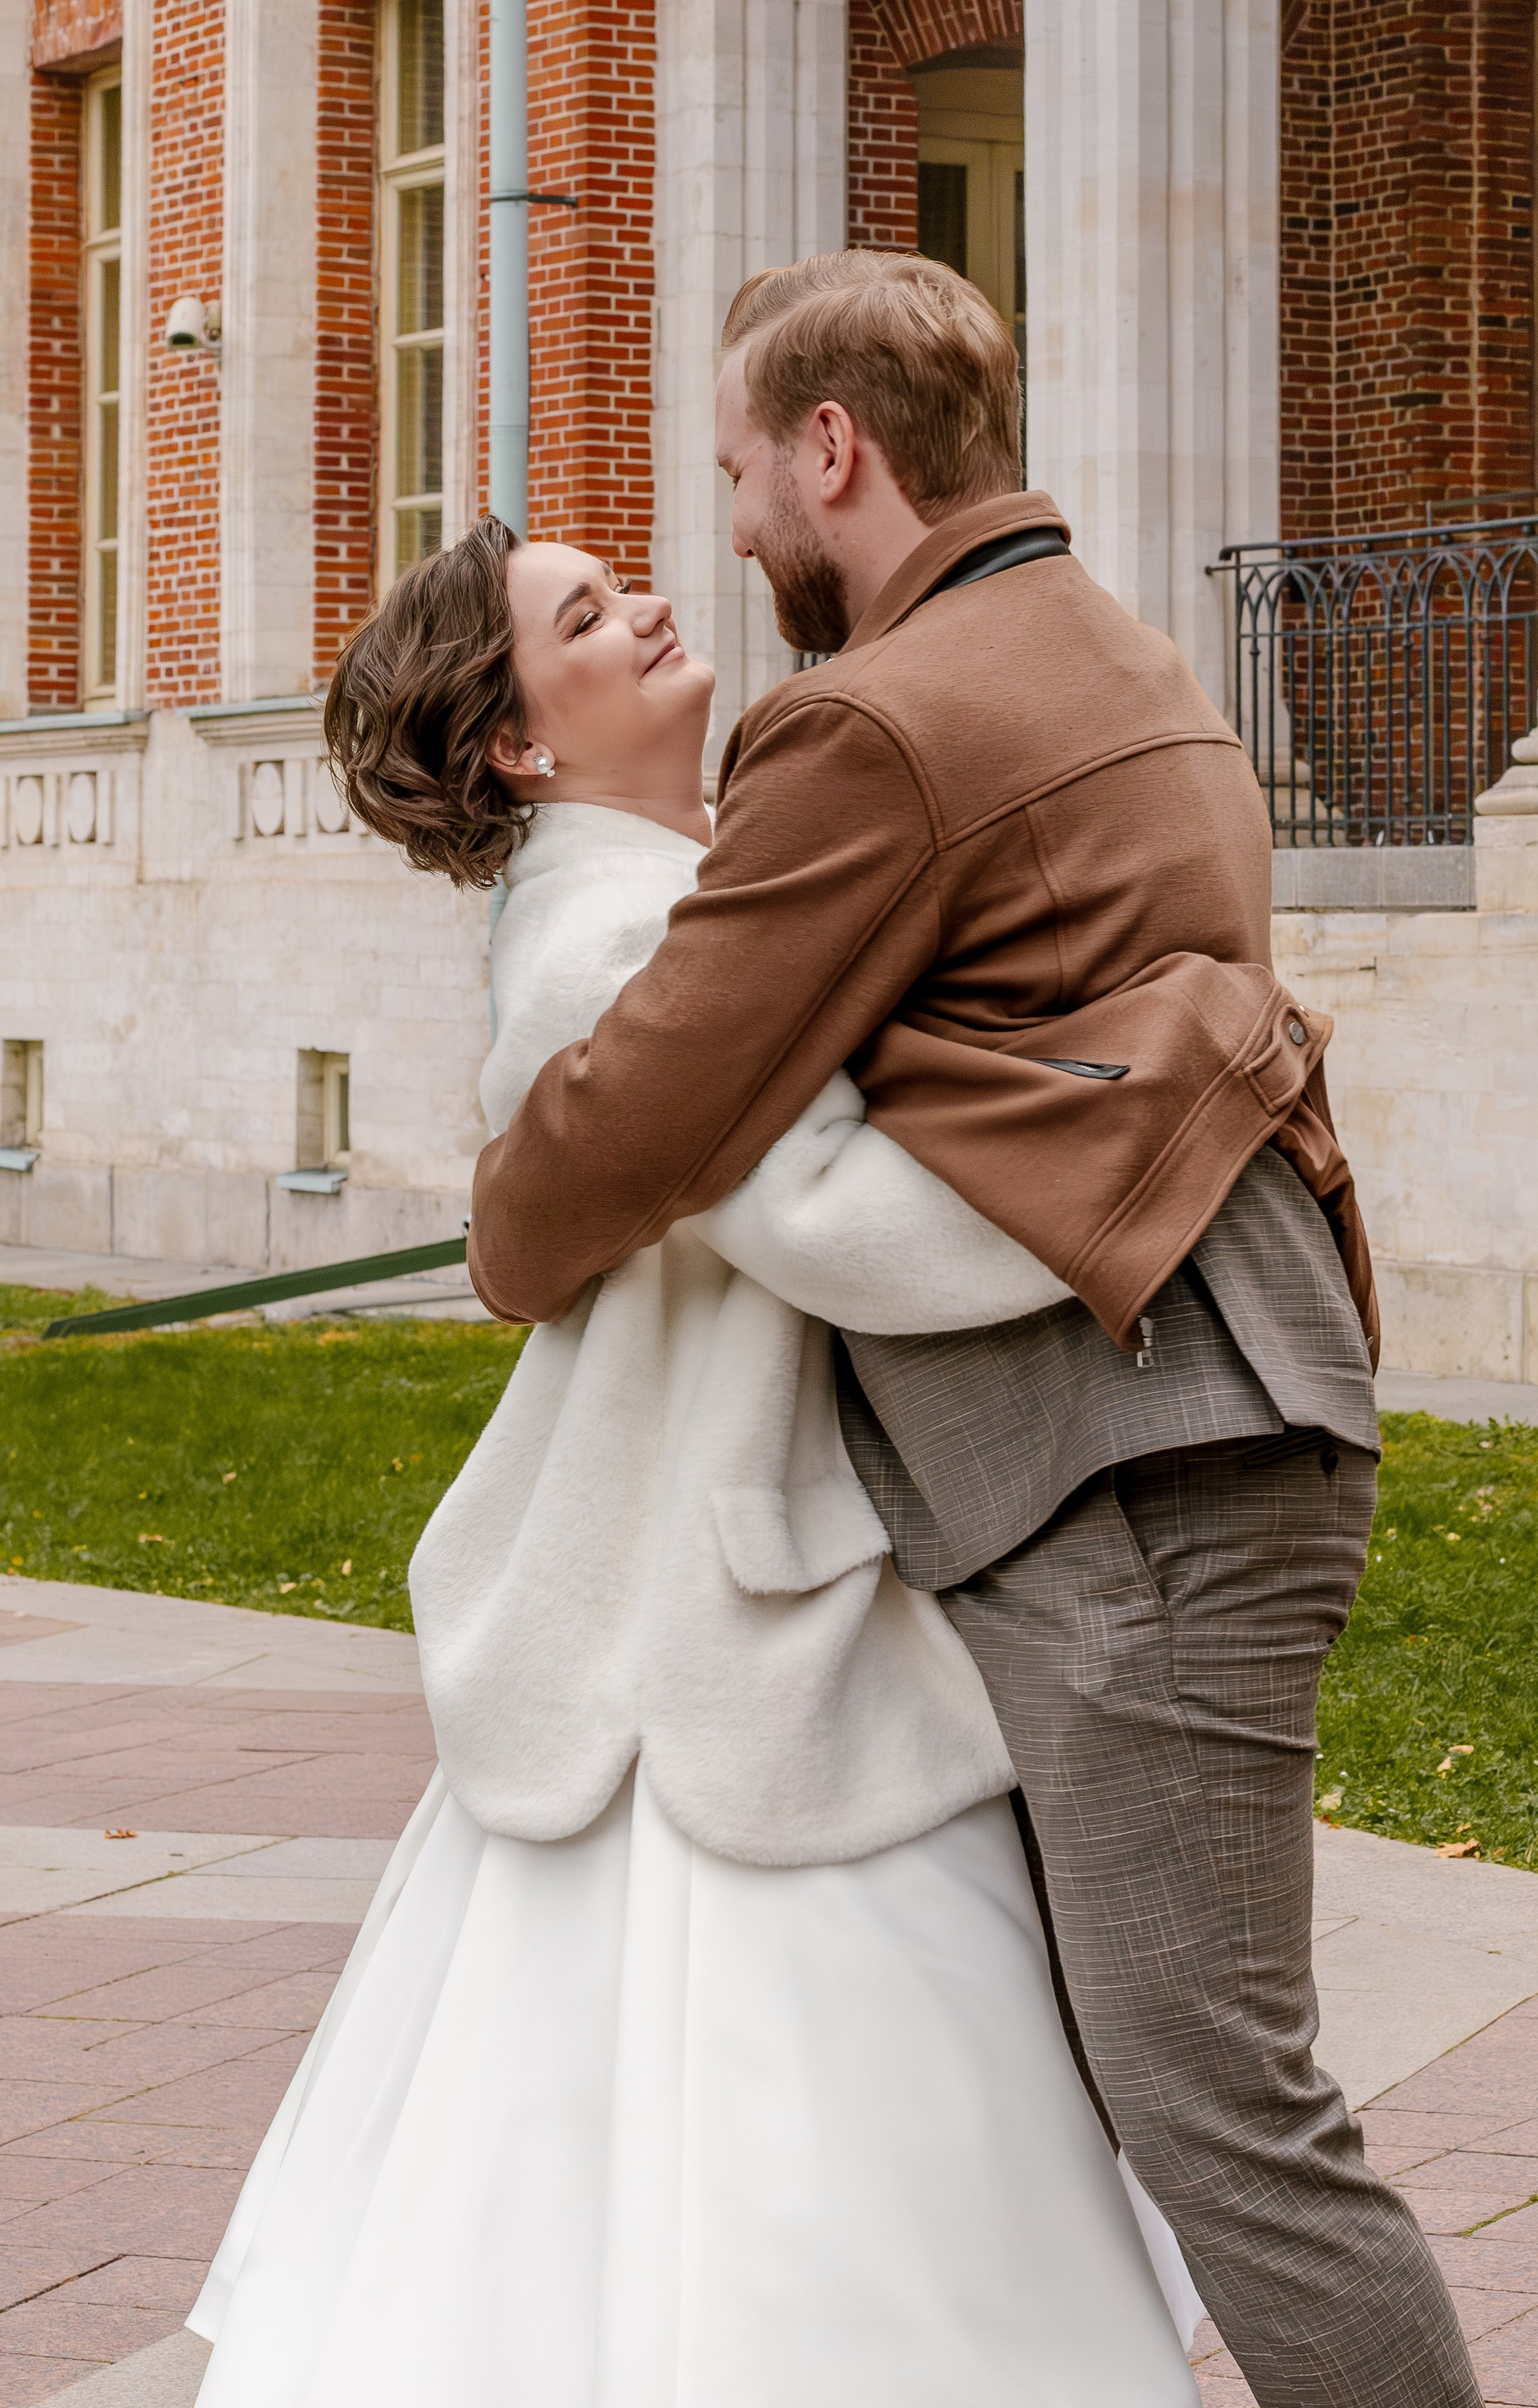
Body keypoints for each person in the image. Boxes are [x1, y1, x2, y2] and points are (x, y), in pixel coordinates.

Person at [467, 251, 1485, 2408]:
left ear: (834, 449)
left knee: (1226, 2115)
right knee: (1141, 2080)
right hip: (1213, 1422)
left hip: (1136, 1466)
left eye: (742, 473)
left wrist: (505, 1230)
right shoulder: (1131, 661)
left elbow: (655, 1098)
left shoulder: (872, 716)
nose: (731, 536)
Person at [185, 520, 1206, 2408]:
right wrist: (1148, 1153)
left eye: (624, 581)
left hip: (728, 1589)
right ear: (521, 748)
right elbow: (839, 1225)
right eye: (586, 615)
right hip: (712, 1637)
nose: (647, 603)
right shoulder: (614, 936)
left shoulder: (690, 889)